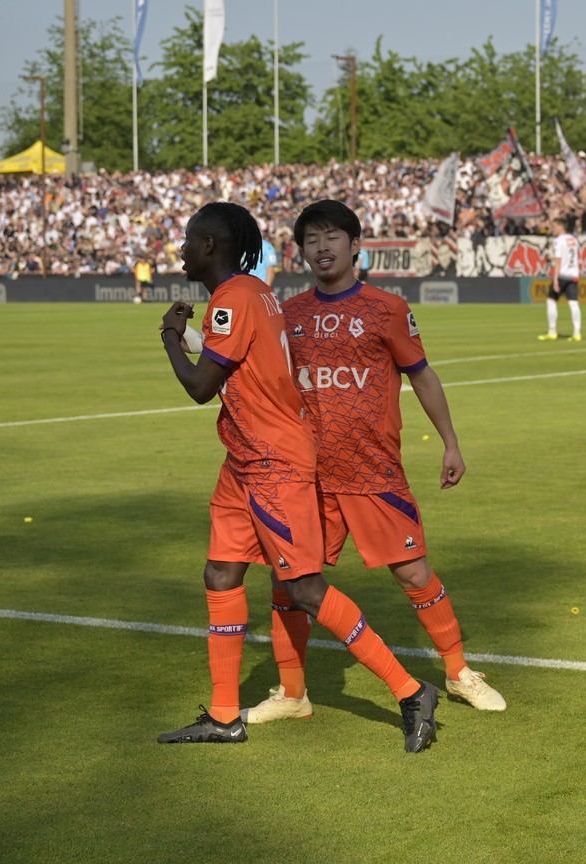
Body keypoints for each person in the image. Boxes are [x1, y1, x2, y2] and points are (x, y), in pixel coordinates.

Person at [154, 201, 440, 752]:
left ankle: (410, 690)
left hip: (272, 463)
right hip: (244, 459)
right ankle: (222, 715)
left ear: (210, 245)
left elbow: (200, 386)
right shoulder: (255, 292)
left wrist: (170, 336)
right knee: (220, 574)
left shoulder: (234, 297)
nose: (182, 250)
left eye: (189, 239)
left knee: (304, 587)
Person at [243, 199, 506, 724]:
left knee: (413, 573)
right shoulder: (288, 313)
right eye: (311, 240)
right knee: (287, 582)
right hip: (307, 474)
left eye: (331, 236)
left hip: (373, 468)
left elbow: (423, 376)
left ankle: (458, 674)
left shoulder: (388, 308)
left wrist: (450, 442)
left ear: (355, 245)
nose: (321, 247)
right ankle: (293, 692)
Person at [539, 218, 582, 341]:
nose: (553, 229)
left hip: (562, 274)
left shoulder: (558, 241)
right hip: (573, 274)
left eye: (555, 226)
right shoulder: (573, 239)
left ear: (560, 227)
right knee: (573, 303)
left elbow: (558, 260)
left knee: (551, 301)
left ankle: (552, 332)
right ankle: (577, 333)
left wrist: (555, 279)